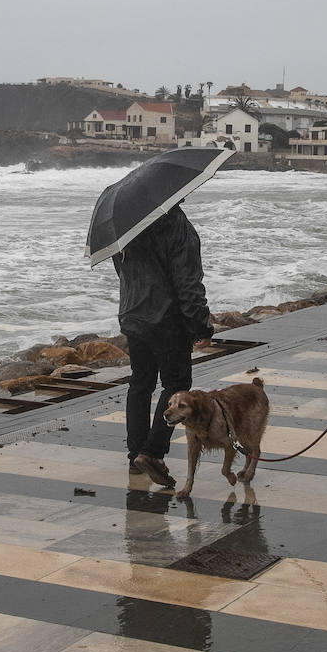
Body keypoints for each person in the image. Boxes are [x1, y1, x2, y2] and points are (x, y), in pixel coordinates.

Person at [112, 202, 213, 489]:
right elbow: (188, 282)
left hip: (133, 316)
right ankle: (153, 452)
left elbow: (123, 270)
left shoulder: (128, 222)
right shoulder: (177, 225)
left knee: (140, 384)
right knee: (176, 382)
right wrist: (201, 325)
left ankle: (136, 458)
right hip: (167, 320)